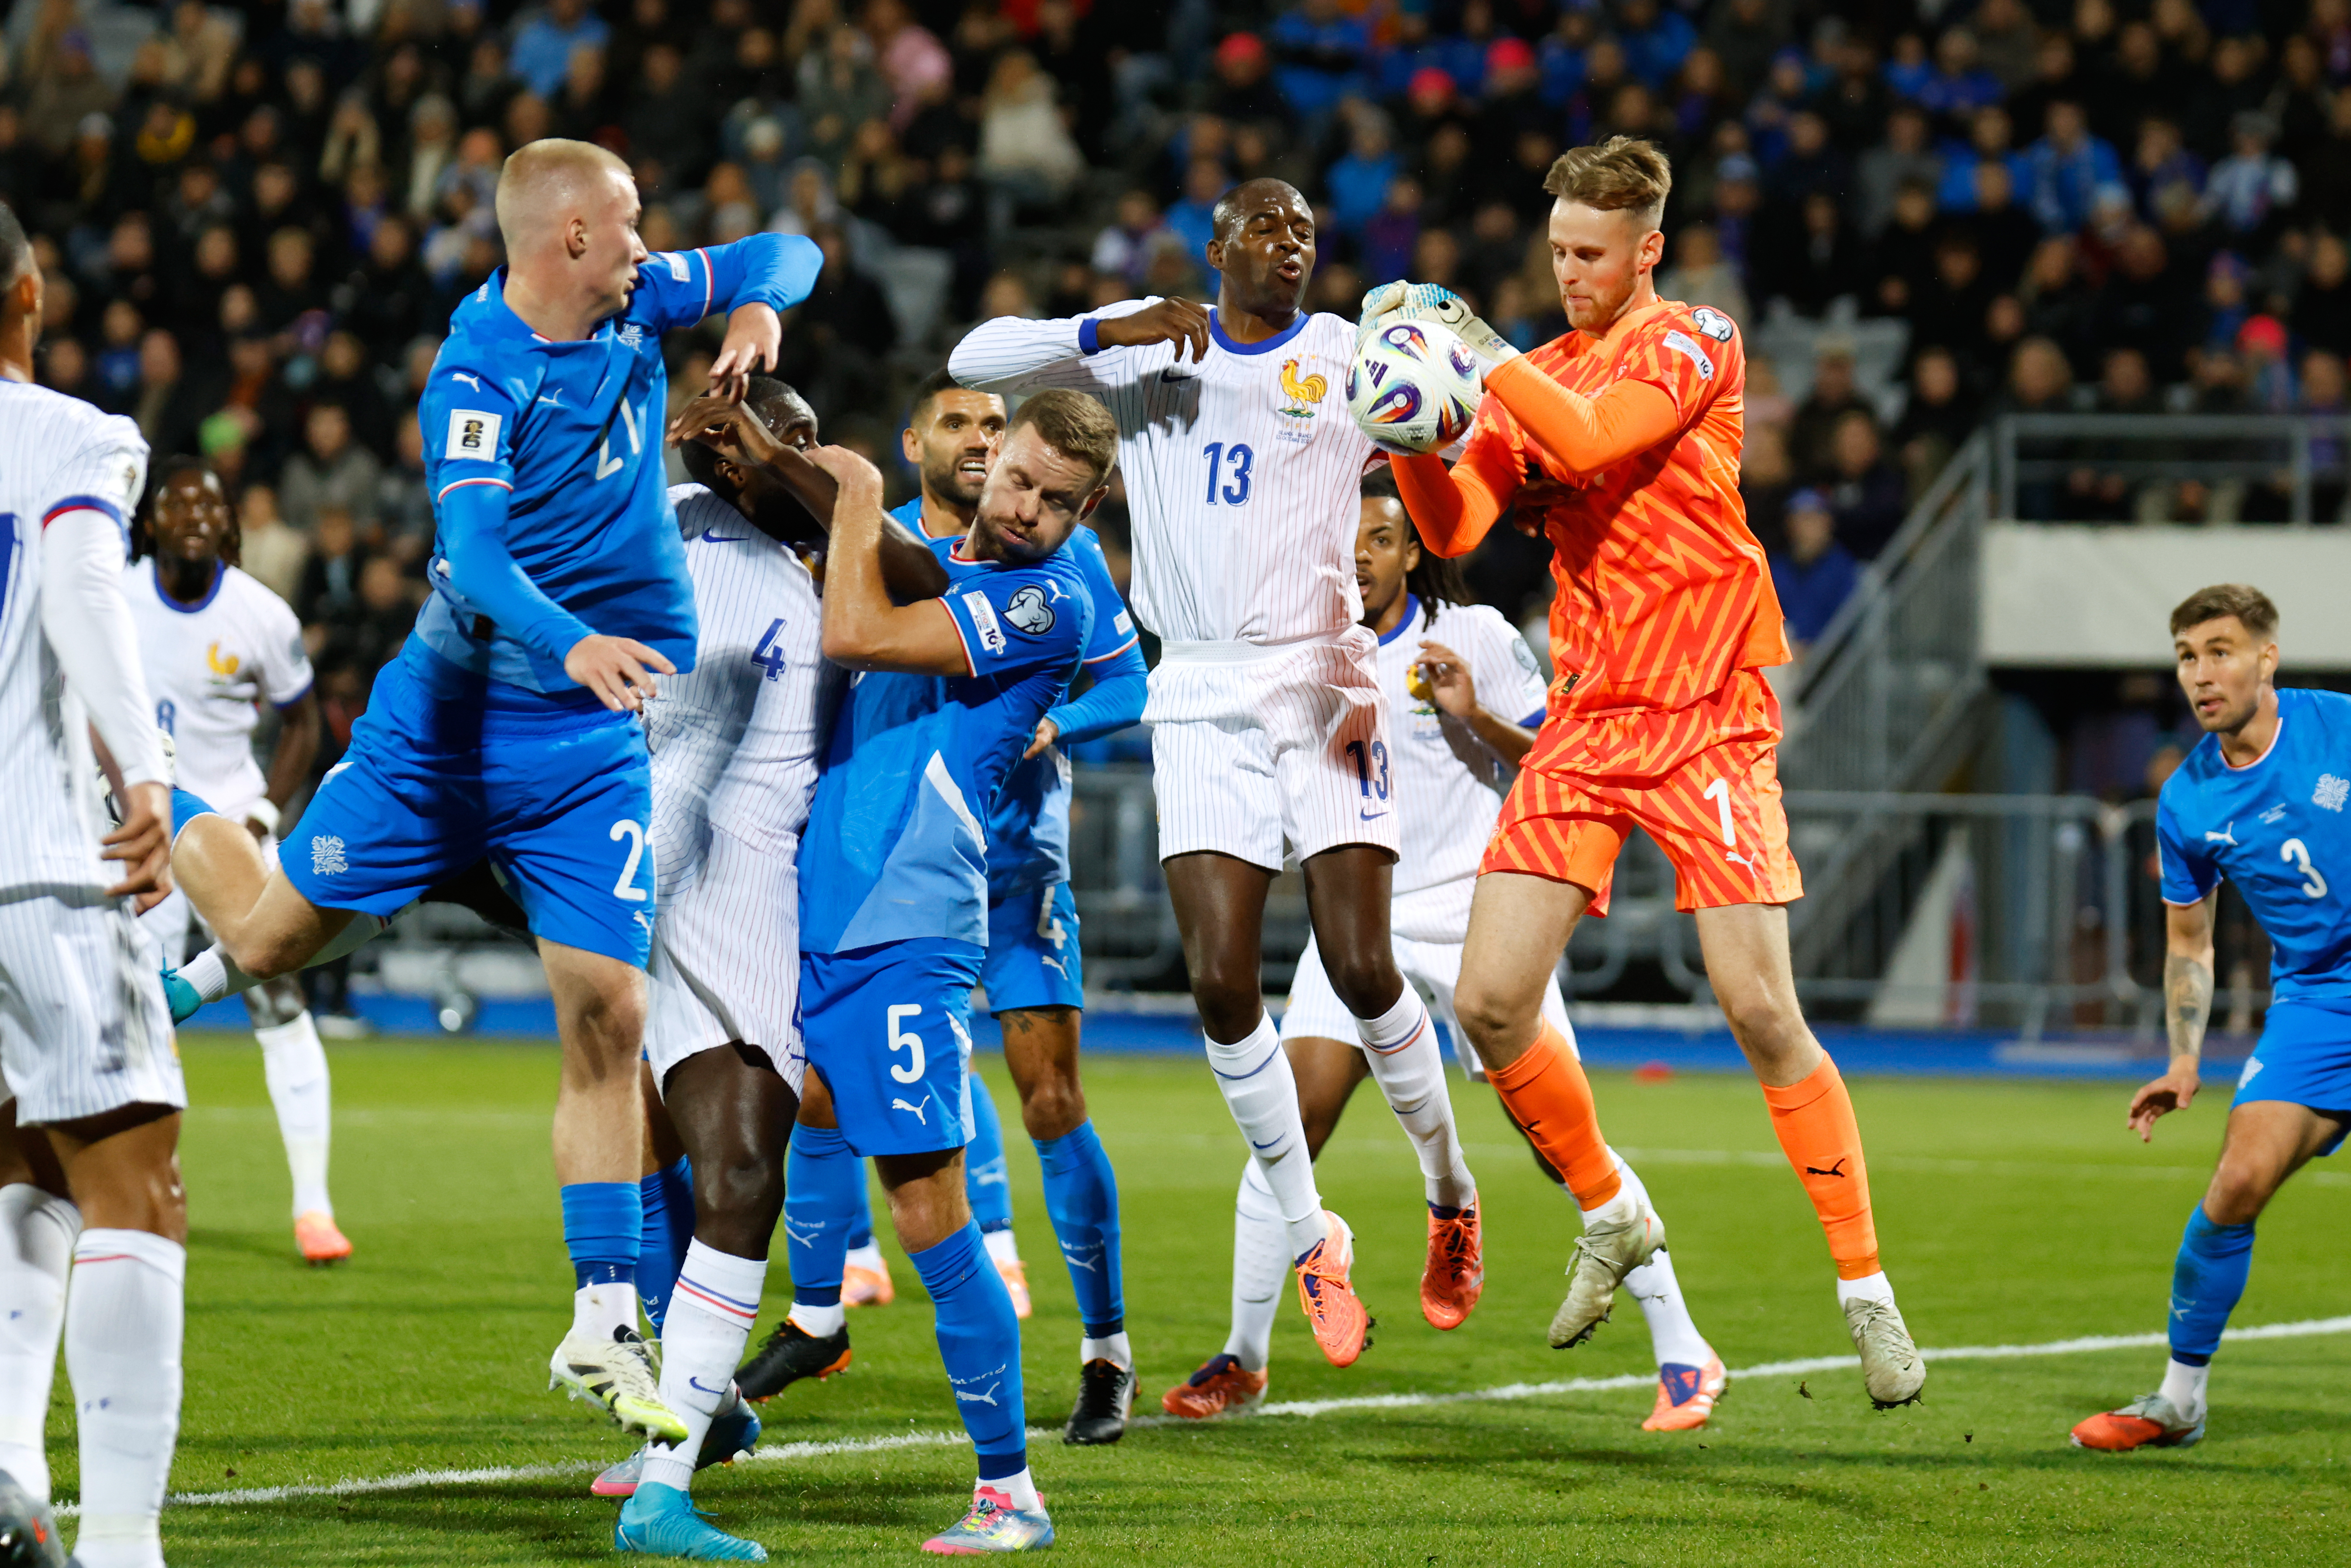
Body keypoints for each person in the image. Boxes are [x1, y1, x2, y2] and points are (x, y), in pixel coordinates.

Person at [168, 139, 822, 1441]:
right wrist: (569, 638)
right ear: (570, 235)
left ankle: (599, 1313)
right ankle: (154, 804)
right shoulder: (476, 373)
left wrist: (754, 308)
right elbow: (468, 556)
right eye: (630, 221)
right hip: (452, 733)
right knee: (263, 938)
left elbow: (784, 252)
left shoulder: (633, 297)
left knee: (606, 1009)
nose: (650, 242)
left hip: (587, 746)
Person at [1379, 136, 1925, 1407]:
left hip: (1706, 705)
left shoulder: (1695, 340)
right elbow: (1458, 526)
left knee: (1753, 1006)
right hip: (1588, 708)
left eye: (1589, 254)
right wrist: (1402, 421)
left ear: (1646, 251)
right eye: (1555, 251)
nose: (1567, 274)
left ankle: (1863, 1291)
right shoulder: (1538, 369)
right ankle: (1612, 1209)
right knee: (1491, 1003)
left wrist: (1476, 349)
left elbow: (1595, 434)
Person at [953, 178, 1473, 1372]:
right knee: (1222, 987)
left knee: (1356, 962)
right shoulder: (1153, 347)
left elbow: (1451, 441)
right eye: (1266, 227)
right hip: (1191, 686)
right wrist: (1104, 331)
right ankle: (1311, 1236)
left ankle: (1448, 1192)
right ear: (1217, 247)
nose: (1289, 245)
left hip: (1320, 672)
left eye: (1304, 231)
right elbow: (975, 359)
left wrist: (1443, 408)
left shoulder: (1347, 355)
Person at [1165, 472, 1729, 1433]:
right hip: (1353, 926)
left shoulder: (1474, 638)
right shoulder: (1298, 650)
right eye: (1343, 540)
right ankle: (1244, 1358)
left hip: (1480, 917)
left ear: (1413, 551)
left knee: (1562, 1148)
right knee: (1286, 1134)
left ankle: (1684, 1347)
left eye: (1379, 539)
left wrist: (1474, 715)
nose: (1355, 557)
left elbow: (1563, 765)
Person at [763, 367, 1149, 1444]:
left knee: (1046, 1103)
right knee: (823, 1099)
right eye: (974, 435)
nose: (996, 467)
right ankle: (816, 1308)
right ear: (923, 442)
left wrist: (1056, 725)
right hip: (876, 871)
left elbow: (1127, 687)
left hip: (1005, 860)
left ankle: (1105, 1349)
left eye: (1001, 436)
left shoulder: (1056, 579)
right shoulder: (901, 543)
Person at [588, 377, 950, 1526]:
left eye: (805, 435)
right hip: (717, 873)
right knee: (738, 1176)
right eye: (781, 436)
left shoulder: (782, 559)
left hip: (694, 876)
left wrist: (778, 458)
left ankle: (695, 1423)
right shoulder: (685, 539)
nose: (810, 453)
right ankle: (665, 1485)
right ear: (726, 459)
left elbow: (924, 582)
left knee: (700, 1158)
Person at [0, 198, 188, 1568]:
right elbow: (80, 589)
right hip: (44, 858)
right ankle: (125, 1544)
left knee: (17, 1167)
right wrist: (145, 771)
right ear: (28, 294)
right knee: (135, 1178)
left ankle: (7, 1482)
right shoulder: (70, 434)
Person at [2072, 586, 2351, 1452]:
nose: (2202, 673)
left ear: (2267, 658)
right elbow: (2189, 942)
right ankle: (2178, 1399)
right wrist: (2182, 1058)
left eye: (2221, 650)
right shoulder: (2187, 800)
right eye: (2187, 656)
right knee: (2234, 1183)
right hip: (2318, 999)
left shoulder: (2337, 727)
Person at [124, 458, 346, 1264]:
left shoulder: (263, 615)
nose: (191, 519)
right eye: (175, 508)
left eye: (207, 509)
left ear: (229, 529)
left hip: (230, 824)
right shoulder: (111, 598)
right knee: (133, 1003)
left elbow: (301, 725)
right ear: (147, 525)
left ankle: (314, 1209)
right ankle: (145, 1181)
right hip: (142, 824)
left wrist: (261, 811)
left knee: (278, 991)